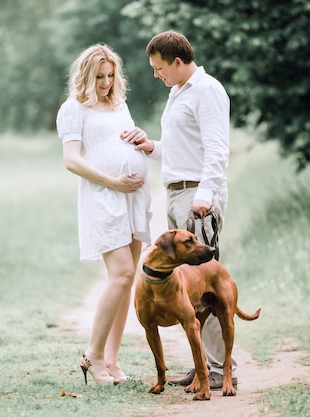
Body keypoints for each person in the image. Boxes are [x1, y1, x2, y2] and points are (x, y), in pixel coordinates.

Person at [121, 30, 237, 390]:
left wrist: (205, 195)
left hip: (196, 198)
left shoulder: (208, 91)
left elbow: (217, 149)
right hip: (175, 192)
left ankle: (218, 368)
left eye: (159, 68)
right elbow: (178, 148)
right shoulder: (178, 93)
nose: (157, 75)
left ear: (177, 61)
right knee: (188, 288)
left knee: (205, 284)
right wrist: (150, 146)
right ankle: (204, 364)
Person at [56, 44, 152, 385]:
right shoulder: (74, 109)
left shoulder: (119, 104)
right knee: (122, 273)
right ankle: (92, 356)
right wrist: (113, 181)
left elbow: (123, 140)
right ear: (85, 75)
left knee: (126, 282)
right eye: (99, 77)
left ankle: (112, 360)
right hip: (104, 197)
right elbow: (72, 160)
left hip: (133, 196)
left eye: (111, 75)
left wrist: (141, 138)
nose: (106, 83)